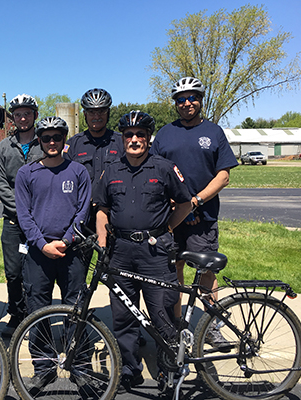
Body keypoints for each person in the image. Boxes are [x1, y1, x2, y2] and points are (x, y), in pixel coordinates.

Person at [95, 111, 192, 392]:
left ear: (149, 138)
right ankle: (130, 369)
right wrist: (102, 240)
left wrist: (168, 228)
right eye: (129, 135)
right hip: (121, 250)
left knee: (160, 311)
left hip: (155, 252)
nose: (134, 139)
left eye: (140, 135)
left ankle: (168, 370)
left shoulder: (164, 168)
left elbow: (185, 203)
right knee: (124, 315)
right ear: (122, 138)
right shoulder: (111, 170)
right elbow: (102, 208)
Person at [150, 77, 239, 343]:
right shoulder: (165, 134)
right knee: (173, 270)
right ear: (175, 103)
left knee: (206, 272)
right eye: (181, 99)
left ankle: (212, 326)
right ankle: (176, 326)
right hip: (171, 217)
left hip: (203, 216)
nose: (187, 103)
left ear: (201, 99)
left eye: (192, 97)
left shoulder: (214, 132)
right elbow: (154, 171)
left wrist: (195, 201)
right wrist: (173, 204)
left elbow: (223, 176)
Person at [15, 116, 91, 393]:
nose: (51, 142)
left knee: (76, 311)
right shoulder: (27, 173)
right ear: (39, 140)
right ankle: (43, 369)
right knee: (39, 312)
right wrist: (42, 244)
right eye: (46, 138)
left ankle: (79, 366)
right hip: (38, 253)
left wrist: (68, 239)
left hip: (71, 253)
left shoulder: (78, 172)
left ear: (64, 140)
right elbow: (23, 215)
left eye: (56, 137)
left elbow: (83, 211)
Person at [0, 94, 44, 337]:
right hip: (13, 221)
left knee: (36, 272)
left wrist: (37, 213)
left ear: (35, 115)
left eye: (27, 113)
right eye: (18, 114)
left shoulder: (44, 142)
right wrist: (22, 211)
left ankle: (37, 314)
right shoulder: (4, 146)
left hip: (41, 222)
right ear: (12, 118)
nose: (22, 118)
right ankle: (17, 313)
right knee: (13, 272)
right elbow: (0, 182)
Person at [63, 89, 124, 264]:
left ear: (108, 112)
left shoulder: (120, 142)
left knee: (114, 270)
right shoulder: (73, 144)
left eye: (101, 111)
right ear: (84, 114)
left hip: (113, 216)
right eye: (91, 112)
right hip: (83, 217)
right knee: (78, 271)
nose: (96, 116)